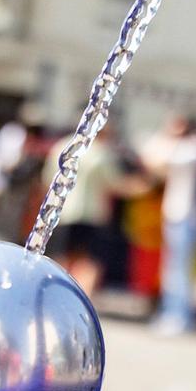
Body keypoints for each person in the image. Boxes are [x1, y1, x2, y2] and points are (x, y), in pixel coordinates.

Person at [141, 114, 196, 334]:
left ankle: (179, 316)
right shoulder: (189, 148)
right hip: (178, 216)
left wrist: (167, 135)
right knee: (173, 269)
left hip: (187, 217)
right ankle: (174, 312)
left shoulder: (194, 149)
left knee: (179, 270)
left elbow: (154, 156)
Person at [45, 124, 131, 295]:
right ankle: (83, 298)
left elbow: (47, 179)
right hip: (92, 214)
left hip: (63, 212)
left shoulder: (62, 146)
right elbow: (114, 183)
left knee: (61, 258)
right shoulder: (101, 152)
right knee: (90, 262)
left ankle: (53, 294)